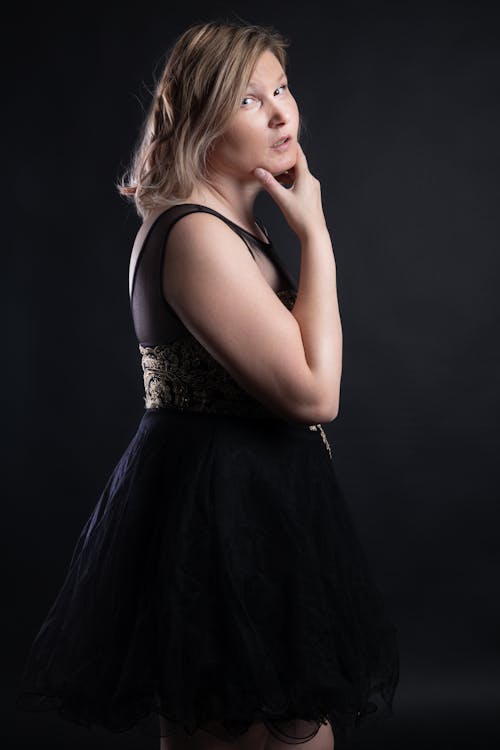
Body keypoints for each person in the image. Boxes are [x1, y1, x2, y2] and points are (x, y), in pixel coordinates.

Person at [15, 19, 399, 750]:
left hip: (256, 511)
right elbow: (318, 394)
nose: (283, 111)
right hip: (222, 523)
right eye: (250, 99)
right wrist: (317, 238)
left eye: (281, 88)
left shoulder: (235, 228)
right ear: (198, 118)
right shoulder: (194, 232)